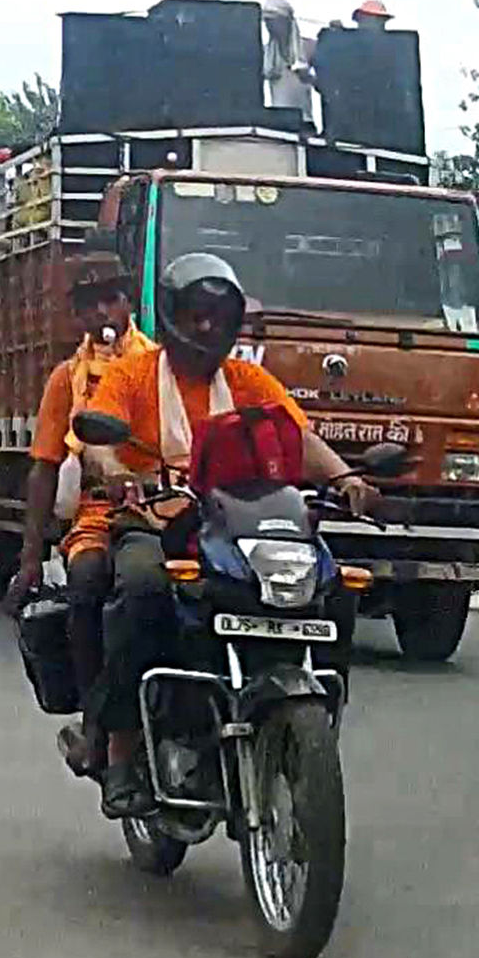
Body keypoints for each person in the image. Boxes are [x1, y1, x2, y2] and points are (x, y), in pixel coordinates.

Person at [81, 253, 379, 818]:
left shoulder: (247, 380)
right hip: (156, 521)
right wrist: (117, 473)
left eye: (218, 317)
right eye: (195, 314)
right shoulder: (132, 375)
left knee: (334, 586)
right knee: (142, 586)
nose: (206, 326)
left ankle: (313, 715)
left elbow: (299, 438)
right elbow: (98, 442)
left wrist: (346, 478)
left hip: (236, 530)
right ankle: (119, 748)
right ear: (171, 316)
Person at [3, 265, 156, 777]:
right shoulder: (66, 379)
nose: (101, 313)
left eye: (109, 300)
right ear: (76, 315)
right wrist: (30, 559)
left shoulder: (159, 368)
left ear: (128, 303)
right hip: (98, 514)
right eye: (88, 305)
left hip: (168, 509)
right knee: (87, 584)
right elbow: (45, 466)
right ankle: (98, 726)